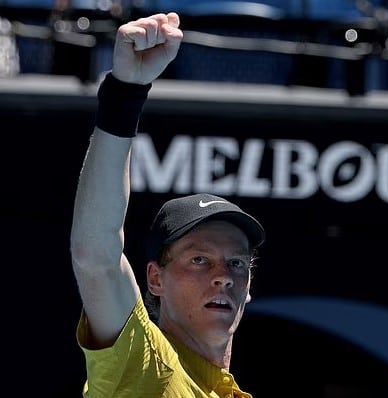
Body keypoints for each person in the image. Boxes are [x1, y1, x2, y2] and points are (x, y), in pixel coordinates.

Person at [70, 12, 265, 398]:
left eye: (237, 263)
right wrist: (126, 91)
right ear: (155, 279)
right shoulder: (147, 364)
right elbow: (96, 255)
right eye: (199, 260)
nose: (223, 276)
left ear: (248, 287)